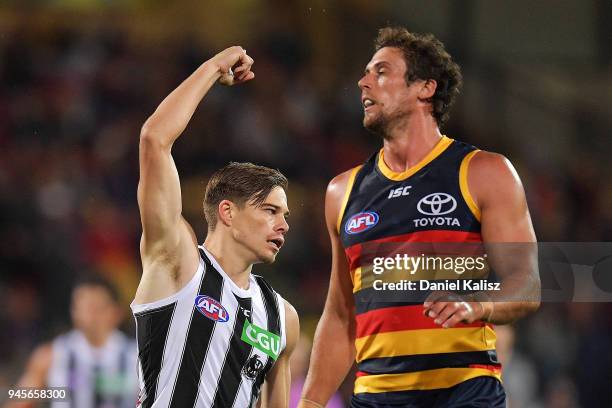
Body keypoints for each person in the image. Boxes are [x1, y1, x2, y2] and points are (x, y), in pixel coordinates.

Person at [299, 27, 540, 407]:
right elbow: (341, 314)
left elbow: (526, 284)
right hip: (376, 397)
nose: (362, 82)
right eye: (365, 73)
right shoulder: (341, 192)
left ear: (425, 88)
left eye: (380, 72)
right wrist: (310, 404)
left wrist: (478, 304)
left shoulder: (484, 172)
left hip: (463, 393)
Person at [132, 46, 299, 408]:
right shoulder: (178, 263)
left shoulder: (282, 316)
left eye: (285, 215)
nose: (283, 225)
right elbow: (154, 140)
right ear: (228, 212)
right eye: (270, 210)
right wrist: (213, 67)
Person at [7, 276, 138, 408]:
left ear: (116, 312)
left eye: (95, 308)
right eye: (81, 307)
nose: (88, 316)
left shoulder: (137, 357)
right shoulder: (50, 356)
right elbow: (20, 401)